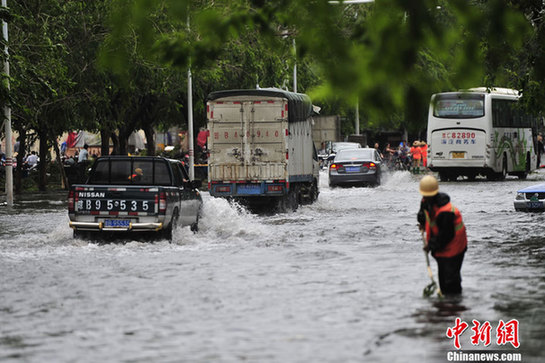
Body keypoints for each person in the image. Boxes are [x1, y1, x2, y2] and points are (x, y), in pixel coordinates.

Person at [417, 175, 467, 295]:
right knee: (443, 280)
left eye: (427, 197)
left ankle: (454, 305)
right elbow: (422, 215)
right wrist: (422, 220)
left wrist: (430, 246)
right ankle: (445, 306)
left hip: (455, 247)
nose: (425, 198)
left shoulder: (446, 212)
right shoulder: (426, 201)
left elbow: (446, 235)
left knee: (451, 281)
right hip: (442, 247)